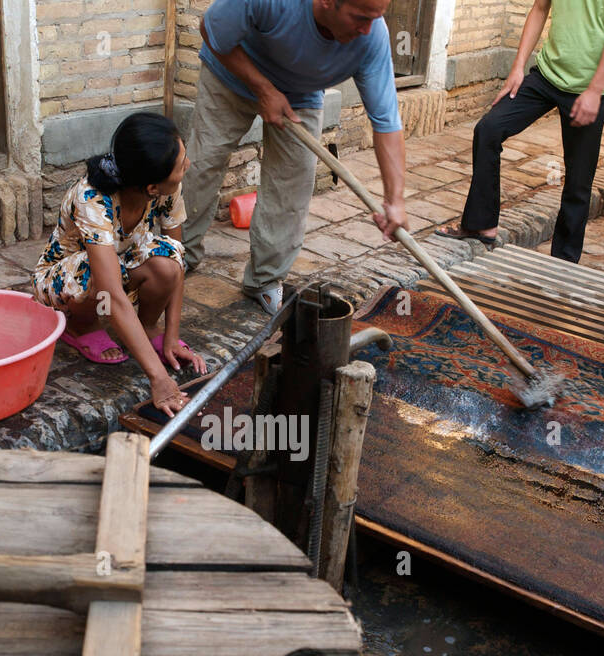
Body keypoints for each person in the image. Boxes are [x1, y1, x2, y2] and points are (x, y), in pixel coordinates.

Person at [182, 0, 409, 315]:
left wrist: (394, 198)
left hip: (300, 93)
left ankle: (264, 280)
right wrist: (263, 89)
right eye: (359, 17)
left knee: (292, 186)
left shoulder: (372, 36)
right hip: (230, 74)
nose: (367, 29)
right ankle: (177, 252)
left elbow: (386, 121)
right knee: (202, 163)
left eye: (376, 19)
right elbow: (212, 28)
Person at [33, 112, 207, 416]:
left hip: (116, 268)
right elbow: (110, 292)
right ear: (152, 187)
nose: (187, 166)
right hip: (64, 282)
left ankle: (148, 327)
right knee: (101, 272)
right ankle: (80, 326)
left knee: (166, 257)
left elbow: (177, 256)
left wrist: (171, 336)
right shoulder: (92, 199)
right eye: (181, 165)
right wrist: (160, 379)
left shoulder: (166, 187)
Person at [437, 0, 604, 262]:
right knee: (488, 129)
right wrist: (517, 68)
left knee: (578, 182)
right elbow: (540, 8)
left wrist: (595, 91)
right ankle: (481, 223)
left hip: (590, 89)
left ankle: (563, 262)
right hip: (546, 76)